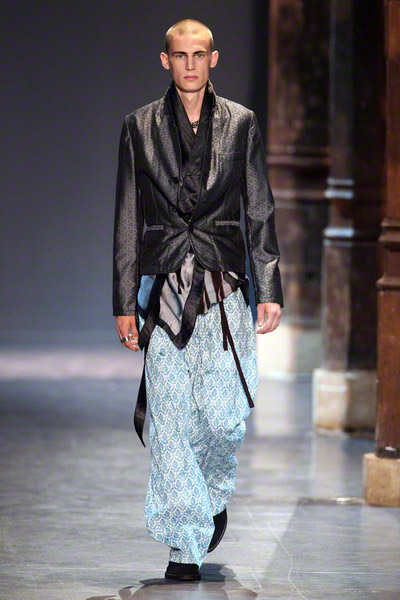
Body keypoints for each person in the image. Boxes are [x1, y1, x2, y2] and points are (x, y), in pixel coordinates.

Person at [112, 18, 284, 581]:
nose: (190, 64)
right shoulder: (138, 126)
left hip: (223, 288)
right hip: (164, 292)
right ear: (166, 60)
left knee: (223, 419)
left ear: (214, 58)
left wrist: (269, 287)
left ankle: (208, 497)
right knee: (169, 418)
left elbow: (258, 208)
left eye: (199, 54)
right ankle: (185, 543)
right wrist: (123, 300)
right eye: (180, 55)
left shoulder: (242, 123)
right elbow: (128, 216)